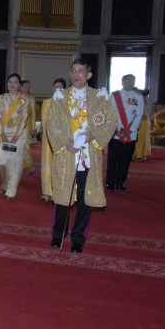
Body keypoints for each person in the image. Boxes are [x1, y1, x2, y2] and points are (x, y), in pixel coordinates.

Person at [47, 59, 117, 253]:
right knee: (62, 197)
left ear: (89, 75)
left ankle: (78, 239)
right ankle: (58, 234)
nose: (77, 74)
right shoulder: (60, 97)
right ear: (70, 74)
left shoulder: (99, 97)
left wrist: (95, 135)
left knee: (85, 199)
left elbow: (111, 122)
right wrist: (64, 143)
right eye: (74, 71)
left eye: (81, 71)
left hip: (89, 154)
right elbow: (51, 124)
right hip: (66, 154)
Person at [106, 74, 144, 191]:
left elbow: (139, 115)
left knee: (125, 159)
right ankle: (110, 182)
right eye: (128, 81)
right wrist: (115, 130)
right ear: (122, 82)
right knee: (113, 159)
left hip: (130, 134)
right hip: (115, 133)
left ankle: (120, 181)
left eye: (133, 81)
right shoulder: (115, 96)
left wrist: (131, 129)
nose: (130, 83)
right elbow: (110, 114)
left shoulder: (138, 97)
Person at [0, 73, 29, 201]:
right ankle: (5, 182)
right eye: (11, 82)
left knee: (16, 163)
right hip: (4, 133)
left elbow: (24, 117)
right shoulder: (1, 98)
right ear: (7, 84)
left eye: (16, 82)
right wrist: (2, 133)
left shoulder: (24, 100)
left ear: (19, 85)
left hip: (17, 134)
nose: (13, 84)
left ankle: (11, 191)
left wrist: (17, 134)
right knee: (4, 162)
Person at [40, 78, 67, 202]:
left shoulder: (67, 103)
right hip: (48, 138)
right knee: (47, 164)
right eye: (55, 86)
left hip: (63, 139)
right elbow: (45, 121)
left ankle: (58, 191)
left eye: (60, 87)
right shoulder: (47, 102)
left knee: (60, 165)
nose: (57, 89)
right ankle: (46, 192)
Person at [20, 80, 37, 175]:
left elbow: (33, 114)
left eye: (28, 86)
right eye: (25, 86)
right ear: (20, 87)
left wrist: (33, 128)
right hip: (17, 125)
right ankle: (20, 165)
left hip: (27, 126)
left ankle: (30, 165)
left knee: (26, 145)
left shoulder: (31, 98)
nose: (27, 88)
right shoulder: (17, 97)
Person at [132, 88, 151, 162]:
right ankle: (137, 155)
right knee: (138, 137)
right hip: (141, 120)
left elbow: (144, 111)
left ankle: (139, 155)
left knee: (141, 138)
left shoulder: (141, 99)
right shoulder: (137, 99)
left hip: (143, 121)